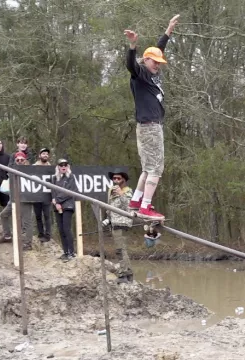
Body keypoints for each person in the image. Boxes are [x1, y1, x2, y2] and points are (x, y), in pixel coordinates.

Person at [123, 14, 180, 221]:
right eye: (154, 62)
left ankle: (136, 201)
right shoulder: (140, 74)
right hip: (150, 127)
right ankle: (146, 206)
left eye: (159, 62)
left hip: (147, 127)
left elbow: (158, 50)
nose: (158, 65)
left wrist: (168, 30)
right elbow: (131, 64)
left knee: (148, 169)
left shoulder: (152, 73)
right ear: (145, 60)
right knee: (156, 169)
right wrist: (132, 45)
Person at [0, 151, 35, 250]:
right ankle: (7, 235)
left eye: (22, 160)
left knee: (27, 222)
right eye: (17, 160)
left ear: (25, 160)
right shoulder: (12, 170)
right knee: (3, 215)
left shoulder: (30, 170)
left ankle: (28, 243)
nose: (19, 161)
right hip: (13, 198)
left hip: (26, 199)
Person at [102, 168, 134, 282]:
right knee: (120, 249)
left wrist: (121, 194)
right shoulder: (111, 191)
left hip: (123, 223)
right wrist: (108, 219)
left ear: (123, 180)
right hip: (114, 223)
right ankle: (128, 273)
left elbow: (129, 207)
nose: (115, 180)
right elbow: (110, 208)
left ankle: (124, 274)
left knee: (121, 250)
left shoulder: (128, 191)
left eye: (118, 178)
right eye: (114, 178)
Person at [52, 158, 79, 260]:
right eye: (61, 165)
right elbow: (53, 190)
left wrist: (58, 201)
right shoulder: (55, 178)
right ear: (58, 167)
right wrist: (55, 201)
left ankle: (71, 253)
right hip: (57, 207)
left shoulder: (71, 177)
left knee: (67, 229)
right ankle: (65, 251)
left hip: (68, 206)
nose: (63, 167)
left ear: (68, 167)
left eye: (65, 165)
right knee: (61, 229)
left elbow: (70, 192)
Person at [33, 148, 53, 242]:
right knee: (38, 216)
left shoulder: (51, 168)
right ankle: (40, 233)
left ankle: (48, 235)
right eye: (43, 153)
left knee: (47, 216)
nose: (45, 155)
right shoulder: (33, 166)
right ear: (39, 155)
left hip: (47, 195)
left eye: (46, 154)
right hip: (36, 195)